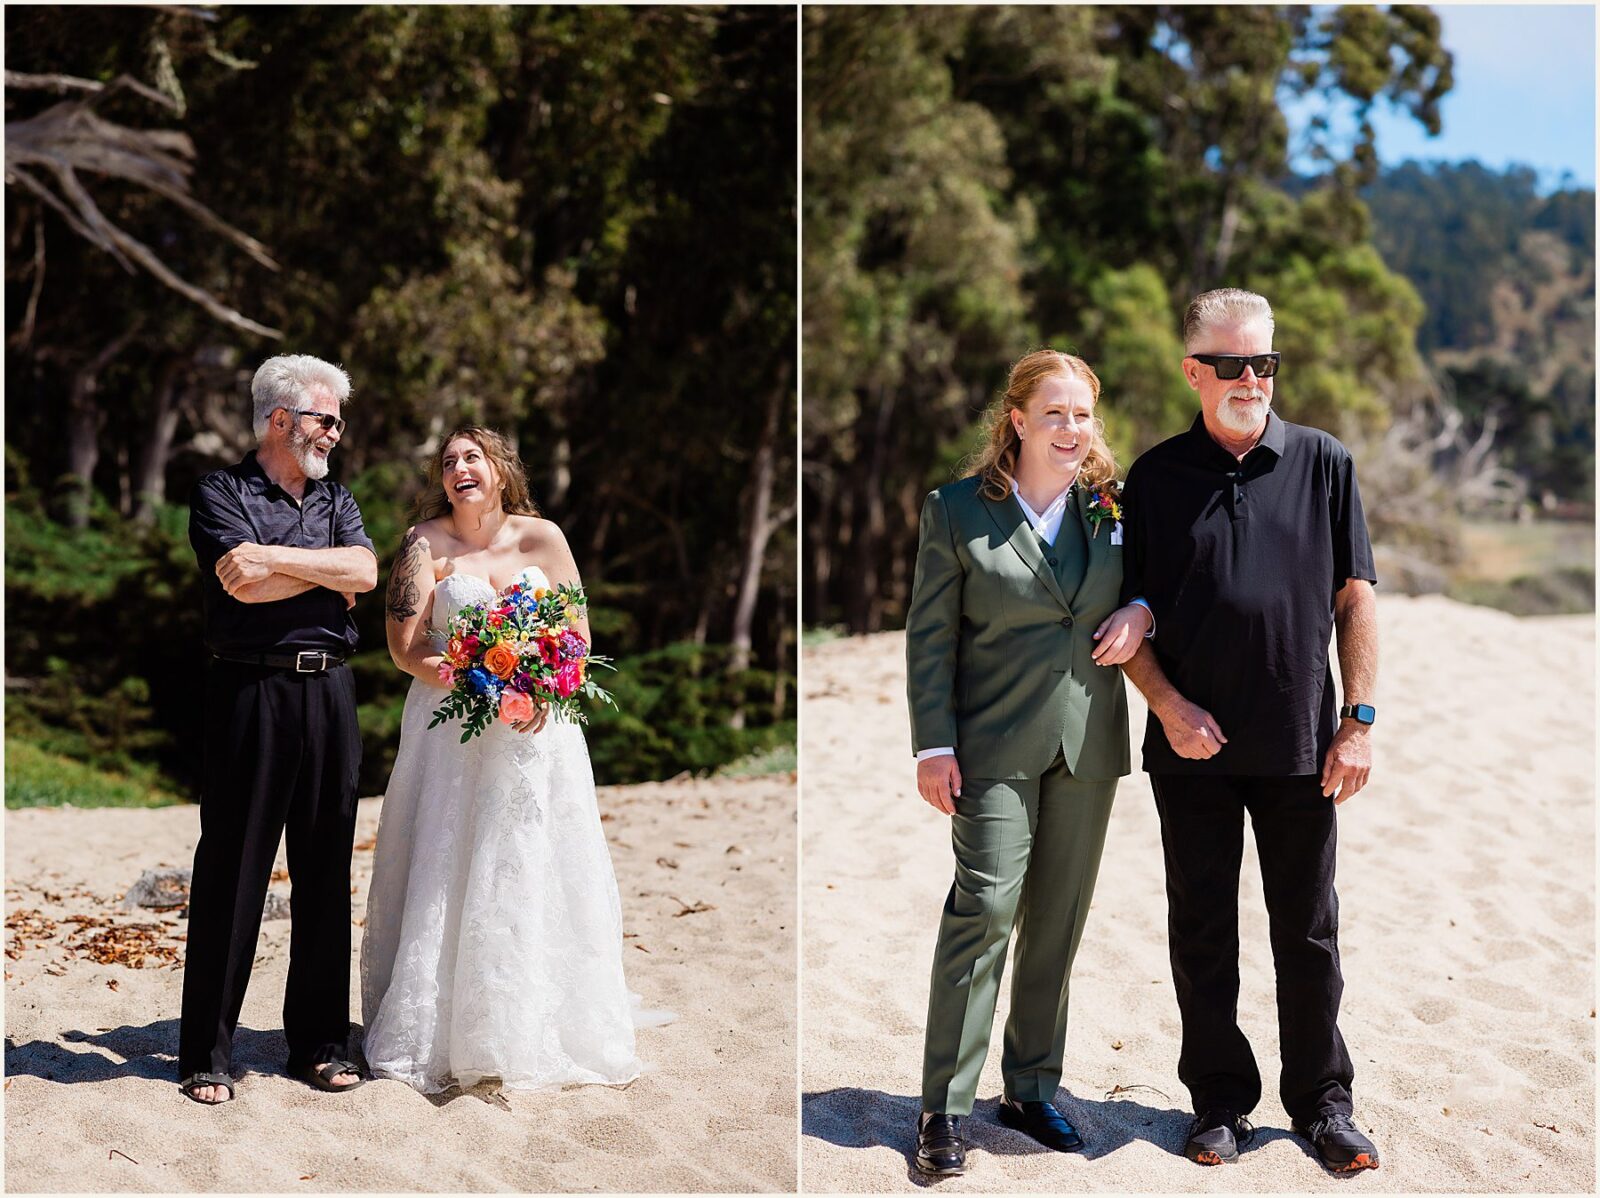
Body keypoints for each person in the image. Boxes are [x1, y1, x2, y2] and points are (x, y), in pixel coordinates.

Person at [1119, 288, 1381, 1172]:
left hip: (1303, 745)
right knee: (1201, 929)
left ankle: (1323, 1104)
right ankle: (1219, 1104)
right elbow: (1128, 617)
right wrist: (1169, 707)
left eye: (1265, 363)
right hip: (1189, 748)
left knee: (1307, 928)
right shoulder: (1153, 480)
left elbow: (1357, 600)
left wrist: (1358, 723)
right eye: (1232, 364)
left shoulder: (1324, 462)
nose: (1251, 380)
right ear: (1194, 370)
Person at [904, 350, 1155, 1175]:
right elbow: (930, 637)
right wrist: (933, 745)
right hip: (990, 747)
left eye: (1083, 414)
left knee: (1057, 920)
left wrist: (1143, 610)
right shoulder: (955, 510)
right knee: (983, 908)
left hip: (1088, 743)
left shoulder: (1112, 504)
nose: (1072, 429)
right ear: (1015, 419)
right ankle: (943, 1107)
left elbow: (1160, 579)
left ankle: (1030, 1089)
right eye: (1054, 414)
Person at [360, 426, 659, 1093]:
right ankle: (442, 1033)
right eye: (446, 462)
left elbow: (578, 638)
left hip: (536, 736)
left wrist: (540, 680)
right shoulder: (422, 544)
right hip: (451, 735)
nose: (458, 468)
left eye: (471, 456)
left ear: (500, 468)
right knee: (449, 866)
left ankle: (523, 1026)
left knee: (525, 863)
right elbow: (404, 648)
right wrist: (477, 681)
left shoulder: (543, 538)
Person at [179, 354, 379, 1105]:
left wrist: (275, 558)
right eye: (327, 418)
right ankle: (206, 1053)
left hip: (330, 692)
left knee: (326, 869)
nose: (337, 432)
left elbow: (365, 572)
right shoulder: (219, 491)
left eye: (338, 420)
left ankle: (321, 1046)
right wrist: (316, 571)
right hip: (248, 688)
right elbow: (242, 582)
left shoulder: (339, 498)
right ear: (280, 419)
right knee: (233, 870)